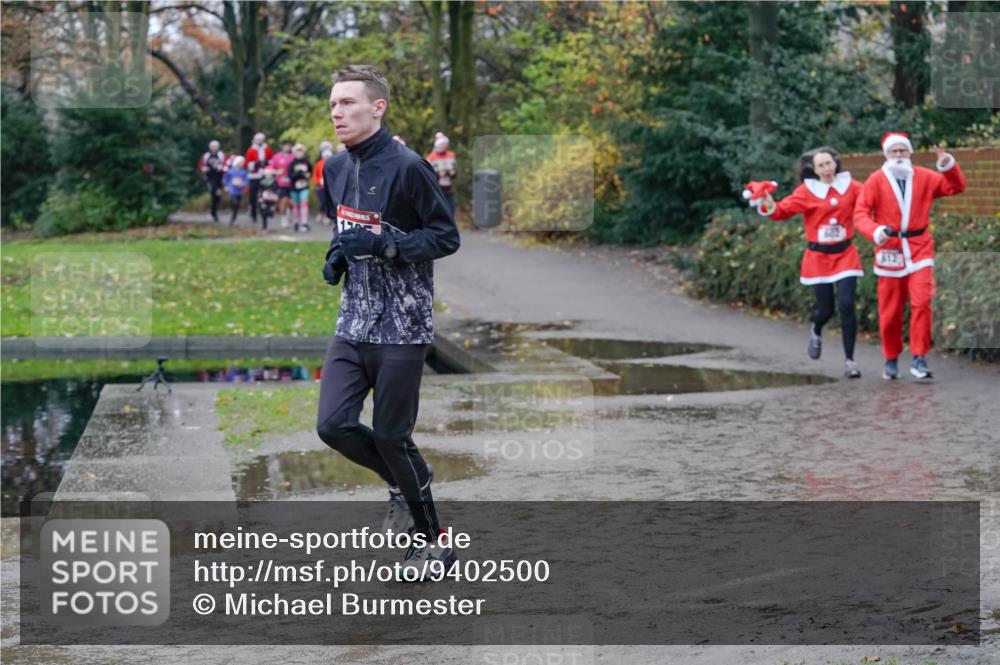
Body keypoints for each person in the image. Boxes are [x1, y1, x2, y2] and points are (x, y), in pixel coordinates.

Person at [317, 64, 460, 580]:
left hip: (403, 325)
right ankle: (401, 482)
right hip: (353, 322)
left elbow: (445, 237)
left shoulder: (408, 167)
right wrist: (337, 257)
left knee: (393, 434)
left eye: (348, 103)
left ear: (378, 108)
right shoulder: (333, 170)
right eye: (333, 104)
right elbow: (341, 227)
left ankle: (434, 541)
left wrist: (386, 245)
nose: (337, 112)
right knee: (332, 424)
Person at [853, 132, 966, 380]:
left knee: (922, 302)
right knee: (890, 310)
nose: (899, 155)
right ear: (887, 154)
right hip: (890, 250)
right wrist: (875, 231)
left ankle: (919, 358)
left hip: (919, 247)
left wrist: (947, 165)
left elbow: (955, 187)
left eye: (903, 151)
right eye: (894, 151)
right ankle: (891, 358)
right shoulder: (876, 180)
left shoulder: (924, 176)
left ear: (910, 153)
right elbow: (860, 212)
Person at [759, 147, 865, 378]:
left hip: (846, 254)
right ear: (814, 170)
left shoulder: (853, 187)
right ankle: (816, 330)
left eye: (829, 163)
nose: (827, 169)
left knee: (847, 305)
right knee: (825, 310)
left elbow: (871, 204)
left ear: (836, 164)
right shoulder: (807, 191)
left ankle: (850, 361)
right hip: (819, 258)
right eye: (821, 166)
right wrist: (768, 202)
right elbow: (780, 212)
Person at [244, 133, 272, 226]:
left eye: (261, 140)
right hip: (254, 175)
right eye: (257, 140)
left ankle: (264, 211)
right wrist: (256, 164)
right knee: (253, 195)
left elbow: (271, 160)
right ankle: (253, 212)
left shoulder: (267, 149)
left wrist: (266, 164)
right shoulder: (251, 150)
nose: (259, 142)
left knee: (265, 194)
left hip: (264, 174)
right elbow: (247, 163)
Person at [426, 132, 456, 213]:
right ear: (437, 145)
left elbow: (455, 172)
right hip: (437, 189)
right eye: (442, 144)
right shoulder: (431, 157)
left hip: (449, 188)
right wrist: (438, 175)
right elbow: (428, 175)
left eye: (445, 144)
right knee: (440, 211)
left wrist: (452, 173)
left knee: (451, 209)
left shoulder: (451, 155)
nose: (444, 146)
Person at [197, 140, 226, 222]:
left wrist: (221, 167)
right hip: (209, 178)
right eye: (212, 146)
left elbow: (227, 164)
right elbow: (201, 165)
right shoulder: (206, 155)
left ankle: (214, 210)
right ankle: (214, 213)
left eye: (215, 146)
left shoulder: (221, 155)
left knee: (217, 196)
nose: (214, 148)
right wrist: (204, 168)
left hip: (219, 178)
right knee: (213, 192)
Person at [269, 140, 295, 228]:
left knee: (290, 201)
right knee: (283, 200)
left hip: (292, 183)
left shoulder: (293, 156)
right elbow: (270, 168)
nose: (287, 148)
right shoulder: (277, 156)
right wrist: (277, 172)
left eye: (289, 146)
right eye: (285, 146)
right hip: (281, 183)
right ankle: (284, 218)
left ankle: (289, 212)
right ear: (283, 147)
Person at [287, 143, 312, 233]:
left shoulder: (307, 162)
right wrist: (298, 173)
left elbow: (310, 173)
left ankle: (304, 223)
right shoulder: (292, 163)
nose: (299, 153)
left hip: (304, 186)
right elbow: (290, 176)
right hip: (294, 188)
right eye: (297, 151)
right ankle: (296, 222)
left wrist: (306, 175)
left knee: (304, 204)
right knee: (295, 206)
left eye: (301, 151)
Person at [312, 141, 334, 226]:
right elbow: (315, 175)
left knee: (329, 201)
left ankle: (327, 216)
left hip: (330, 186)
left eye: (328, 156)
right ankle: (321, 213)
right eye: (325, 156)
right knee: (322, 201)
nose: (327, 157)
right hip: (320, 186)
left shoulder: (333, 163)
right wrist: (318, 182)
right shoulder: (318, 163)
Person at [223, 156, 248, 226]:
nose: (241, 164)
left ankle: (234, 216)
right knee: (234, 201)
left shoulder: (243, 172)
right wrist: (226, 186)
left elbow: (246, 181)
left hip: (239, 191)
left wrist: (242, 184)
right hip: (232, 189)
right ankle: (232, 215)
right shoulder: (230, 171)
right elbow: (225, 179)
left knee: (237, 204)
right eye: (240, 163)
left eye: (242, 163)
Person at [257, 167, 280, 232]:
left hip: (271, 200)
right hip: (264, 200)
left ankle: (271, 213)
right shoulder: (262, 182)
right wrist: (260, 197)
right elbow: (259, 191)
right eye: (267, 174)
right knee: (263, 212)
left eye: (269, 174)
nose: (268, 176)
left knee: (269, 213)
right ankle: (264, 226)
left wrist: (276, 196)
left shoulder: (274, 182)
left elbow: (277, 190)